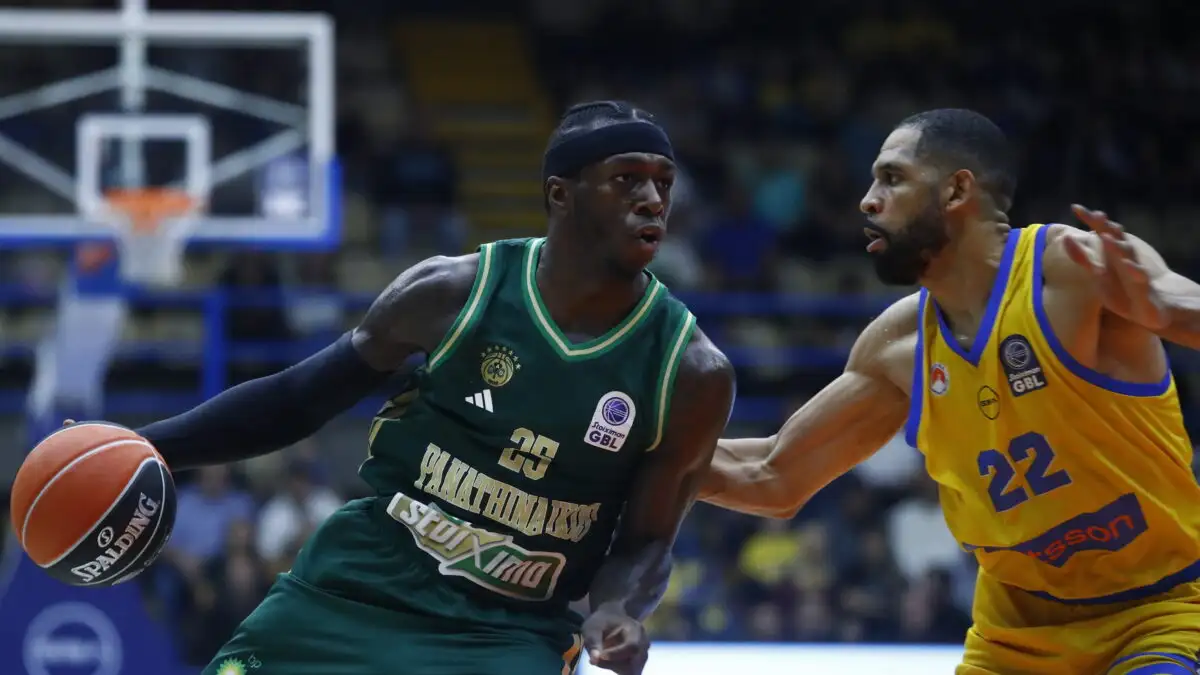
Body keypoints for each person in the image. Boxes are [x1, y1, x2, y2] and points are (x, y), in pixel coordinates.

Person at [123, 100, 735, 675]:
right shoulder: (452, 293)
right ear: (560, 194)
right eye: (627, 180)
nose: (653, 200)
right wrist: (140, 448)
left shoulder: (690, 372)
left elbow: (648, 540)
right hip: (360, 584)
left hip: (509, 631)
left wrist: (619, 608)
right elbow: (299, 399)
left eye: (663, 183)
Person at [700, 108, 1200, 675]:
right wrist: (637, 454)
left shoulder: (1072, 268)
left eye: (892, 178)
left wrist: (1167, 311)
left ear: (958, 189)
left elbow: (1177, 301)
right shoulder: (897, 346)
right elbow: (773, 474)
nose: (867, 200)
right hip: (1014, 642)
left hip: (1158, 613)